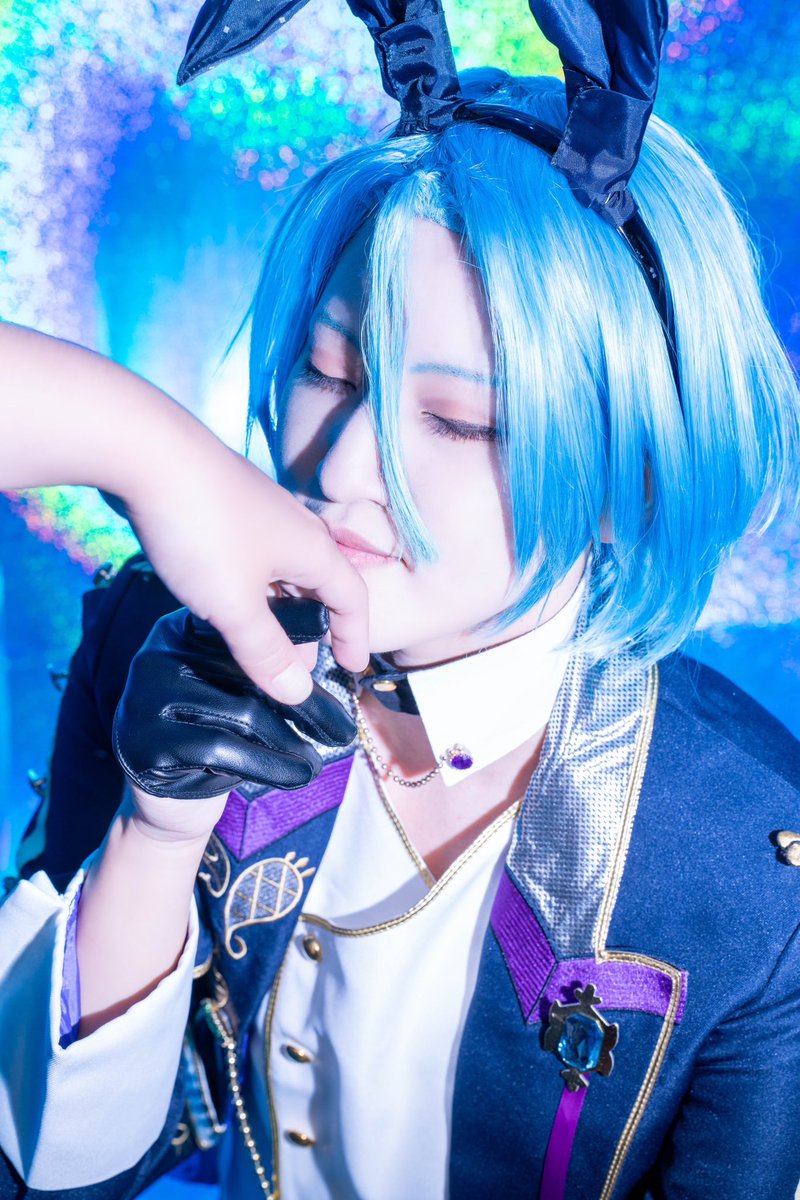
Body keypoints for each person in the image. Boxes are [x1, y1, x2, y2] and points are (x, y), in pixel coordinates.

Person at [2, 2, 800, 1198]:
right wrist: (155, 834)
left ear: (624, 476)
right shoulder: (156, 643)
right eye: (328, 373)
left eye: (460, 421)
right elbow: (57, 1164)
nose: (342, 469)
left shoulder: (750, 877)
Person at [0, 320, 370, 704]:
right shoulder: (143, 616)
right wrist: (152, 451)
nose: (337, 474)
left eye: (433, 421)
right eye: (329, 374)